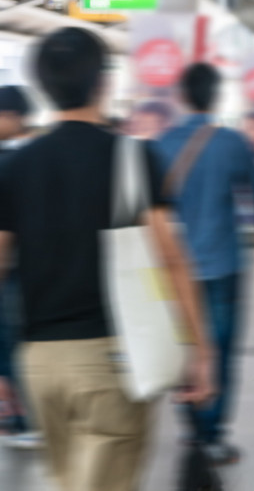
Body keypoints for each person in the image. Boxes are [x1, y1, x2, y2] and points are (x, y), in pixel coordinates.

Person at [0, 27, 214, 491]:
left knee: (66, 481)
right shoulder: (132, 158)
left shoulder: (16, 165)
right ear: (104, 80)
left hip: (40, 365)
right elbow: (173, 261)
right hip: (112, 361)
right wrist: (199, 348)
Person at [157, 62, 254, 465]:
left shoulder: (161, 144)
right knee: (221, 348)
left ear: (182, 96)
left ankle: (192, 427)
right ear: (216, 96)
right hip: (223, 263)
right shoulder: (232, 142)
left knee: (185, 344)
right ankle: (213, 433)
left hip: (174, 267)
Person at [0, 85, 41, 449]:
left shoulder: (9, 161)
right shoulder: (41, 157)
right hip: (38, 267)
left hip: (11, 269)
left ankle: (22, 419)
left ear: (14, 116)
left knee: (10, 343)